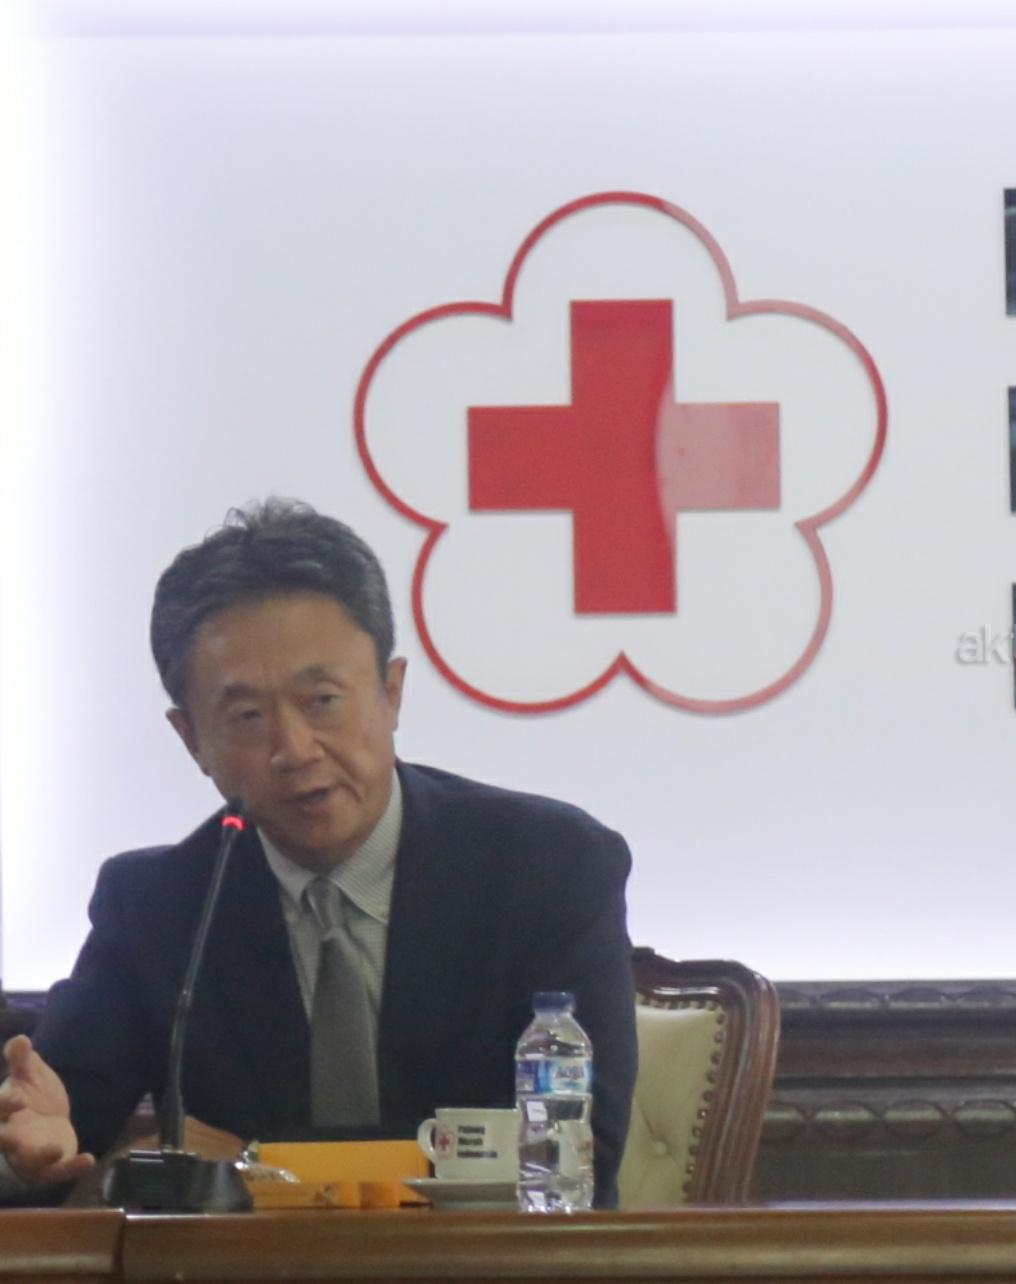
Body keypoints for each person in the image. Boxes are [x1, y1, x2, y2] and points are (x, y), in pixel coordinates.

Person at [0, 499, 638, 1205]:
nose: (294, 749)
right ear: (191, 740)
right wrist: (25, 1151)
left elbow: (579, 1155)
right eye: (247, 716)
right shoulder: (159, 907)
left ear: (391, 693)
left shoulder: (549, 867)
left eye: (323, 700)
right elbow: (52, 1120)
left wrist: (253, 1165)